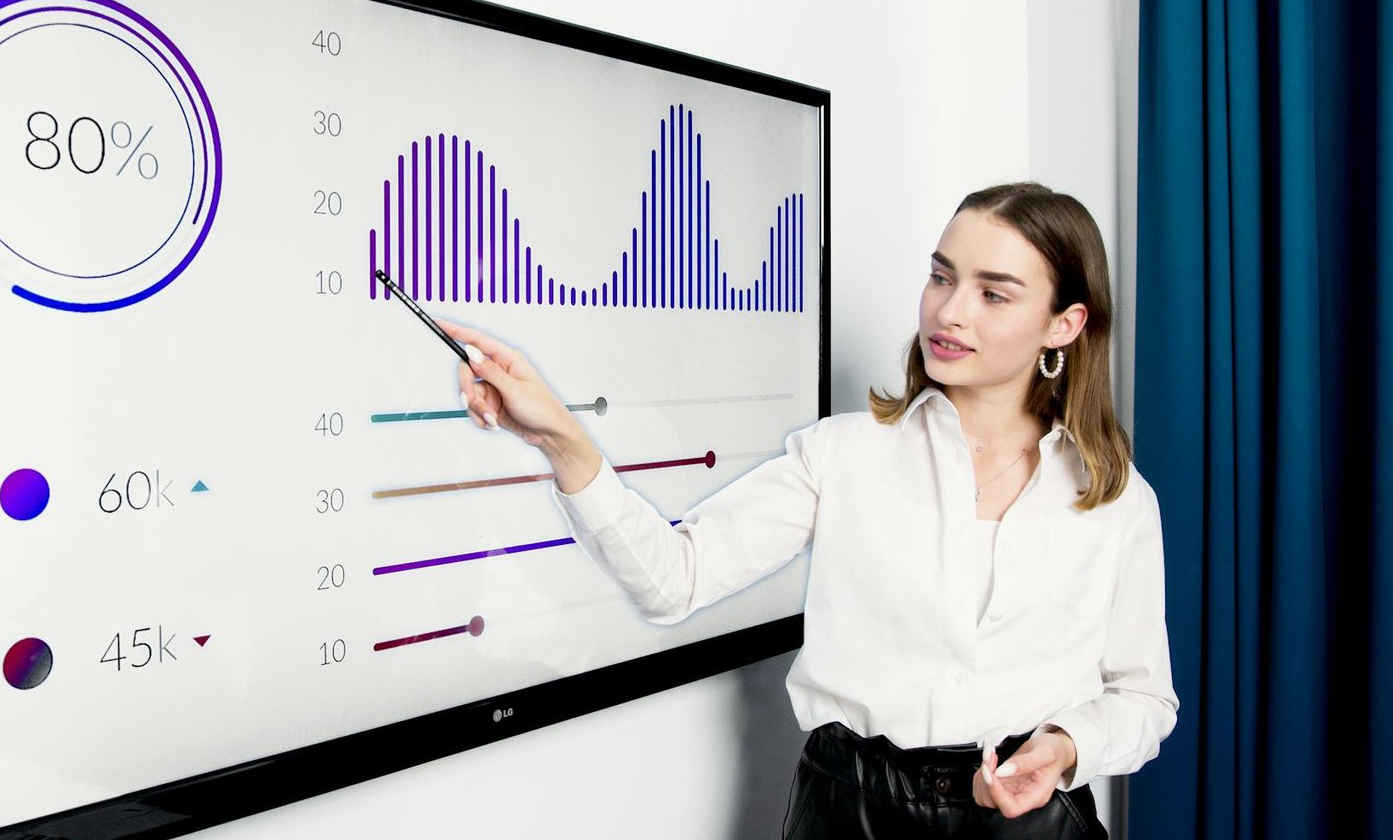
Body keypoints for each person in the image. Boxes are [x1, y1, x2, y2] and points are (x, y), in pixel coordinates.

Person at [440, 182, 1177, 839]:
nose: (949, 311)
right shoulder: (842, 455)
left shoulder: (1116, 502)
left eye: (995, 292)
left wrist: (1066, 746)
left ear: (1065, 326)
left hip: (1033, 824)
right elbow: (673, 580)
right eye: (941, 275)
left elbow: (1144, 699)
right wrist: (560, 438)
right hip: (848, 812)